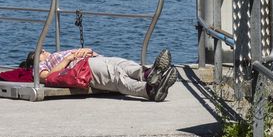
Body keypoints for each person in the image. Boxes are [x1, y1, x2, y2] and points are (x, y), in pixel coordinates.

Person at [23, 46, 177, 102]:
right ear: (34, 60)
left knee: (123, 64)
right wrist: (69, 58)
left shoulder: (54, 54)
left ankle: (148, 73)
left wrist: (86, 50)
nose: (43, 50)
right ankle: (149, 90)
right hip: (83, 68)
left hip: (93, 58)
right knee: (116, 76)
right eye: (39, 52)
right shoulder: (40, 65)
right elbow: (46, 77)